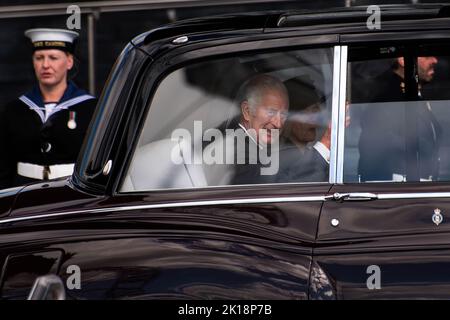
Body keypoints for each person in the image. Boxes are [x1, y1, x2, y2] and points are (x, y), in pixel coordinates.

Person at [0, 28, 97, 189]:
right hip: (23, 193)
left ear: (69, 62)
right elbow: (3, 165)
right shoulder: (15, 109)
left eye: (53, 58)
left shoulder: (90, 108)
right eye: (39, 58)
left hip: (71, 193)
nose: (45, 65)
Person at [357, 56, 441, 181]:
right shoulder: (387, 99)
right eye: (427, 55)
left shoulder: (413, 96)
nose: (435, 60)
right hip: (400, 188)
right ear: (402, 60)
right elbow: (373, 152)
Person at [225, 74, 289, 185]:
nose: (278, 124)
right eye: (271, 112)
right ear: (247, 111)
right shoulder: (244, 158)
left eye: (283, 115)